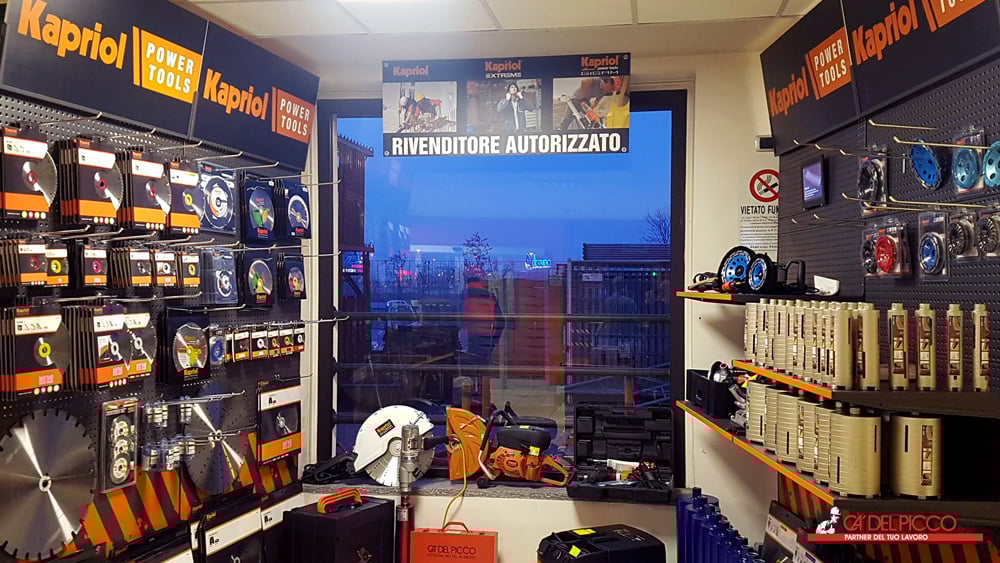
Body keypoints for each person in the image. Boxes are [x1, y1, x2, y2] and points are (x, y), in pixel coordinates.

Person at [463, 273, 505, 364]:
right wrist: (493, 342)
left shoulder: (462, 297)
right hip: (486, 339)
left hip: (469, 338)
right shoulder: (489, 296)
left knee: (469, 364)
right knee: (483, 364)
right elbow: (501, 322)